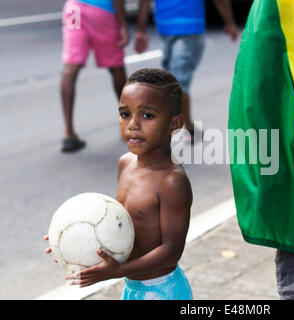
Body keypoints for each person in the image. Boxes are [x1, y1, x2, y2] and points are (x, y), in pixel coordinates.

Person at [45, 68, 193, 300]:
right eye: (125, 114)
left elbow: (171, 251)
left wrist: (117, 271)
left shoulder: (172, 181)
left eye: (147, 116)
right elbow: (118, 224)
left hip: (163, 290)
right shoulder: (125, 164)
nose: (133, 124)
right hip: (133, 287)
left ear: (174, 123)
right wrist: (72, 236)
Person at [133, 0, 239, 143]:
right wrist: (230, 22)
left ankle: (173, 129)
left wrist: (141, 30)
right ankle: (184, 128)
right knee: (175, 83)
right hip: (179, 29)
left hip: (176, 28)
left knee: (175, 82)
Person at [60, 0, 129, 152]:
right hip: (101, 12)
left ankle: (69, 134)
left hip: (75, 9)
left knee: (70, 67)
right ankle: (129, 125)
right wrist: (123, 25)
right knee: (116, 67)